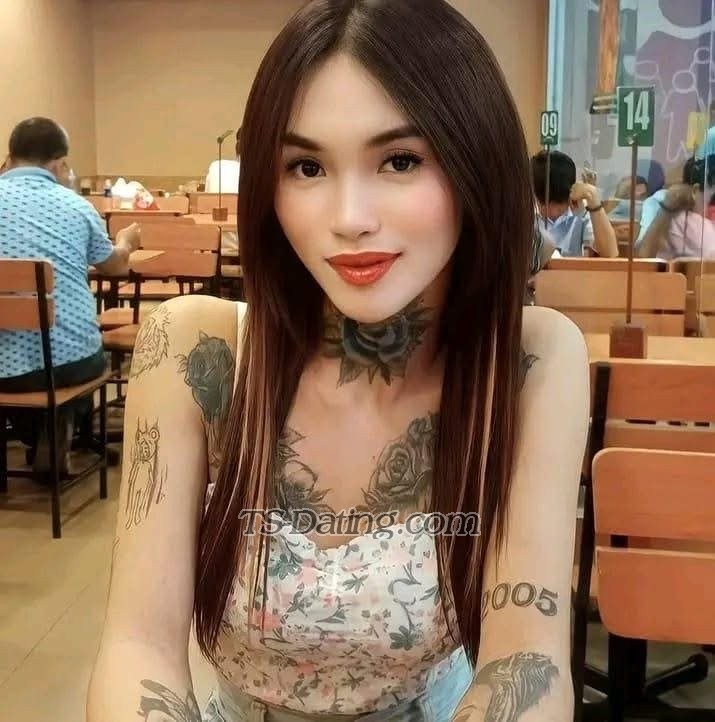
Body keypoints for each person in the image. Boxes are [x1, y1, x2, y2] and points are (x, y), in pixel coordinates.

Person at [87, 2, 589, 721]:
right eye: (306, 166)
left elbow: (524, 660)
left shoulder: (528, 362)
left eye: (400, 160)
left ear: (476, 162)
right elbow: (138, 644)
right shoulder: (198, 353)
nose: (349, 216)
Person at [0, 117, 140, 472]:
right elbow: (114, 267)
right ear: (59, 164)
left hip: (3, 367)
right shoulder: (75, 206)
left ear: (10, 158)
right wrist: (126, 242)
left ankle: (32, 433)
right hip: (65, 365)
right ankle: (58, 426)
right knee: (84, 353)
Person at [531, 150, 618, 258]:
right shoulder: (525, 214)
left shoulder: (582, 210)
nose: (552, 212)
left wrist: (593, 200)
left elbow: (610, 255)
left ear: (571, 192)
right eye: (544, 204)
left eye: (558, 205)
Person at [639, 154, 715, 260]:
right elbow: (643, 256)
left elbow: (642, 255)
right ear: (695, 190)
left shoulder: (662, 203)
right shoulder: (696, 225)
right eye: (713, 199)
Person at [205, 128, 241, 255]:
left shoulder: (216, 166)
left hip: (212, 243)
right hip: (248, 245)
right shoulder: (264, 173)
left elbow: (207, 202)